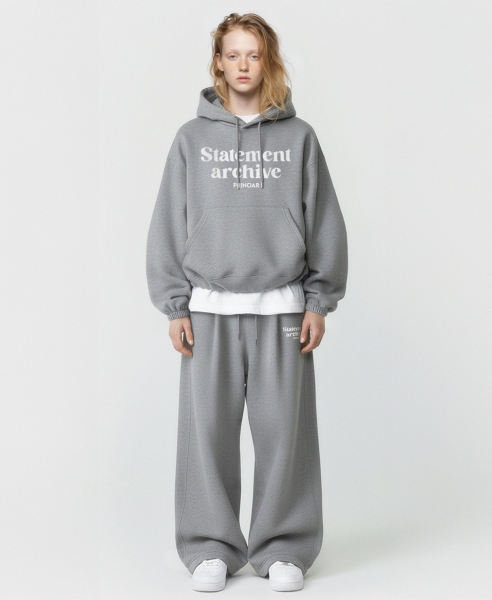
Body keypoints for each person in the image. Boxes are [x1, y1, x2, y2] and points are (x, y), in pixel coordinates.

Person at [146, 12, 348, 593]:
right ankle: (210, 546)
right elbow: (169, 222)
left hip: (282, 309)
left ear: (268, 61)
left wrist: (318, 300)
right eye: (232, 54)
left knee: (285, 435)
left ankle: (283, 547)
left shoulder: (299, 137)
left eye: (253, 55)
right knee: (206, 436)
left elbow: (325, 220)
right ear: (218, 62)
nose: (242, 65)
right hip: (208, 310)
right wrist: (175, 305)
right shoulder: (191, 139)